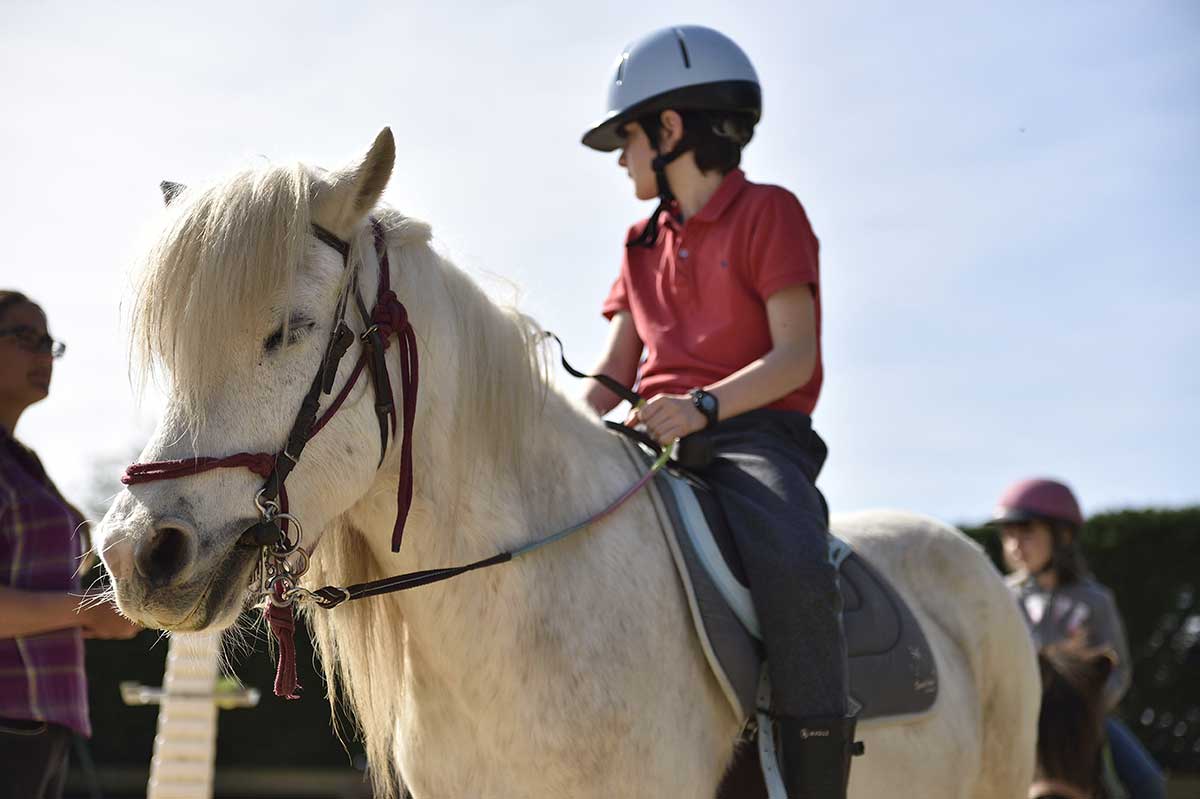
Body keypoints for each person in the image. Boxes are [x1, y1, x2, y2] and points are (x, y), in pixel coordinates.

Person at [580, 26, 856, 798]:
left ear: (670, 129)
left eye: (626, 138)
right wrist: (562, 424)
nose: (622, 158)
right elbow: (612, 373)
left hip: (755, 436)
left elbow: (796, 357)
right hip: (652, 432)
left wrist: (701, 405)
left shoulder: (773, 212)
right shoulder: (637, 242)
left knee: (796, 566)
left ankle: (811, 775)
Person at [0, 290, 140, 799]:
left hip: (40, 723)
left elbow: (79, 553)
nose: (42, 354)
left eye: (48, 343)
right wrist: (85, 612)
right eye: (23, 337)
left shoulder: (23, 463)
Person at [992, 477, 1167, 799]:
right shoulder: (1000, 598)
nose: (1015, 544)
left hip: (1084, 721)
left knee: (1149, 783)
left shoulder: (1095, 600)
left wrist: (1088, 712)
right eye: (1009, 534)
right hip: (1019, 720)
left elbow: (1120, 670)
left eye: (1027, 531)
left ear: (1064, 535)